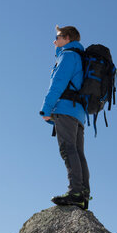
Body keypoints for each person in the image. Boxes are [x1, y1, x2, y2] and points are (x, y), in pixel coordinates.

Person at [40, 25, 90, 209]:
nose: (55, 40)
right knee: (78, 152)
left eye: (58, 37)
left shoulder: (68, 56)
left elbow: (58, 83)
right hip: (78, 113)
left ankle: (75, 192)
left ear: (68, 38)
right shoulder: (80, 57)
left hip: (66, 109)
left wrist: (45, 109)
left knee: (68, 150)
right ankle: (83, 194)